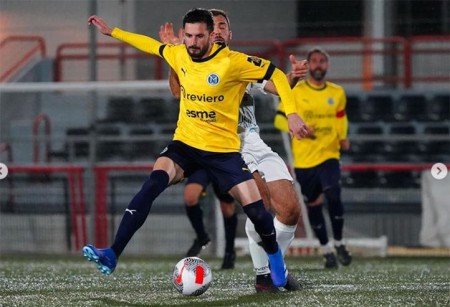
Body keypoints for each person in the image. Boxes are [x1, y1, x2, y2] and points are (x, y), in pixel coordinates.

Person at [84, 8, 310, 289]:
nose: (192, 42)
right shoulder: (179, 54)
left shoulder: (234, 63)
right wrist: (112, 32)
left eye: (198, 36)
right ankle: (112, 252)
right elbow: (150, 45)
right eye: (188, 36)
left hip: (224, 150)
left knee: (258, 212)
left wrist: (292, 113)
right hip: (186, 144)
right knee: (153, 183)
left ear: (212, 35)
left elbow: (276, 76)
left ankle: (274, 262)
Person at [159, 9, 309, 292]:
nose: (216, 31)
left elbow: (280, 86)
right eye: (212, 27)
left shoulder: (239, 65)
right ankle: (264, 275)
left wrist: (294, 77)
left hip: (255, 142)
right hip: (226, 145)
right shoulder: (195, 64)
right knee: (261, 205)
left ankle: (278, 269)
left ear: (229, 34)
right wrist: (174, 55)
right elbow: (178, 93)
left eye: (221, 26)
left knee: (289, 209)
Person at [274, 47, 352, 269]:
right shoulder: (296, 91)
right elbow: (280, 120)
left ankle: (339, 242)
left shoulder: (337, 92)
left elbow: (341, 117)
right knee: (314, 204)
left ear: (327, 65)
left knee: (334, 193)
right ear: (307, 66)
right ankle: (326, 249)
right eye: (314, 61)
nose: (318, 65)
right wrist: (299, 129)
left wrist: (343, 136)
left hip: (329, 154)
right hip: (304, 160)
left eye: (322, 61)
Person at [183, 168, 238, 270]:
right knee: (190, 197)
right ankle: (202, 237)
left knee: (227, 209)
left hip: (221, 161)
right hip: (201, 160)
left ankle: (229, 252)